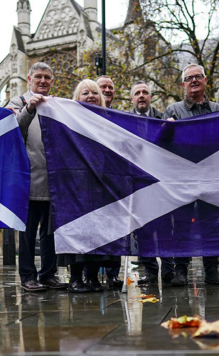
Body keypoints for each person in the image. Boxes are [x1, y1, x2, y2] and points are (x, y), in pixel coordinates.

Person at [164, 64, 219, 286]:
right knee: (182, 225)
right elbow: (163, 145)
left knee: (212, 224)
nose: (193, 81)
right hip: (183, 179)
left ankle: (212, 270)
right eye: (189, 78)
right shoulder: (172, 111)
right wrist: (166, 128)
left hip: (212, 177)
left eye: (198, 77)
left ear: (205, 81)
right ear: (183, 84)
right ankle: (181, 270)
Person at [7, 62, 68, 292]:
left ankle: (49, 274)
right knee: (27, 233)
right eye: (38, 77)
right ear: (29, 79)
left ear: (52, 82)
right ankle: (27, 276)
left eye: (47, 78)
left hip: (53, 182)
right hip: (26, 181)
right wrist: (29, 109)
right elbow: (11, 128)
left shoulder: (58, 106)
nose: (43, 81)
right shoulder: (18, 102)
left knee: (50, 232)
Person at [57, 79, 121, 293]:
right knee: (79, 231)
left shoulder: (109, 122)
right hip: (76, 185)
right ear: (77, 98)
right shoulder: (68, 120)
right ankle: (76, 278)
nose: (91, 95)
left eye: (95, 92)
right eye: (85, 92)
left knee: (97, 232)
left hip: (100, 184)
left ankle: (92, 277)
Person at [128, 81, 175, 285]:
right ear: (132, 99)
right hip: (138, 182)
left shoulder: (163, 118)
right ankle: (149, 269)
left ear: (151, 97)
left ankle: (168, 268)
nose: (141, 96)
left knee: (165, 228)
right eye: (137, 93)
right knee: (144, 229)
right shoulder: (125, 121)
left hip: (161, 182)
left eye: (144, 92)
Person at [92, 75, 124, 288]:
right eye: (102, 87)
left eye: (111, 87)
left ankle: (113, 274)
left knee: (115, 230)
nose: (107, 90)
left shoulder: (121, 116)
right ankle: (91, 273)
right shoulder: (80, 114)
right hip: (92, 182)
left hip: (114, 180)